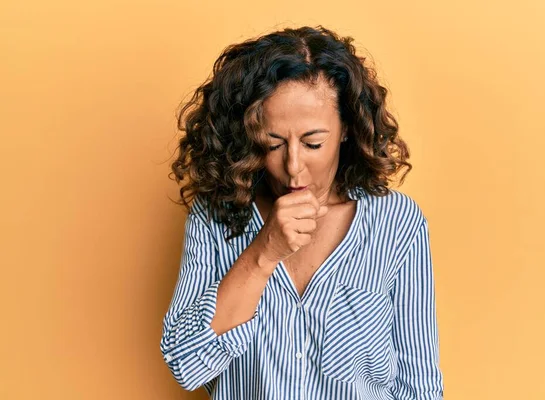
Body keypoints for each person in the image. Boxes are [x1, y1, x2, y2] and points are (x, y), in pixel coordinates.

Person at [160, 25, 444, 399]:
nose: (293, 166)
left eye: (313, 143)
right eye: (273, 143)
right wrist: (263, 254)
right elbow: (186, 363)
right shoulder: (213, 217)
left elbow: (419, 386)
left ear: (346, 129)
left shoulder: (397, 224)